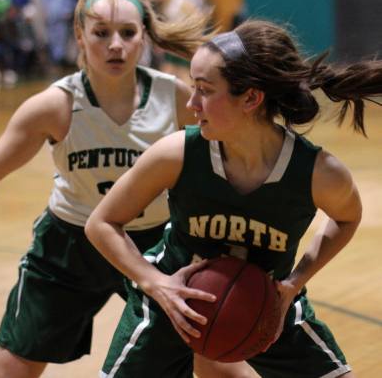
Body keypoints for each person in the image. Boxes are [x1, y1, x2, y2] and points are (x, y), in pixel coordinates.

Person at [0, 0, 252, 378]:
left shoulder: (176, 99)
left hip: (154, 244)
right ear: (79, 35)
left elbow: (231, 164)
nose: (116, 45)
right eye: (101, 33)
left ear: (144, 37)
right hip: (69, 245)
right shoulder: (55, 106)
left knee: (219, 359)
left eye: (128, 33)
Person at [86, 19, 382, 377]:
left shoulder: (317, 173)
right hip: (174, 296)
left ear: (251, 98)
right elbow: (101, 223)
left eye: (204, 90)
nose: (192, 103)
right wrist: (155, 283)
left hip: (268, 303)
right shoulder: (177, 154)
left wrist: (294, 283)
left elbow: (347, 217)